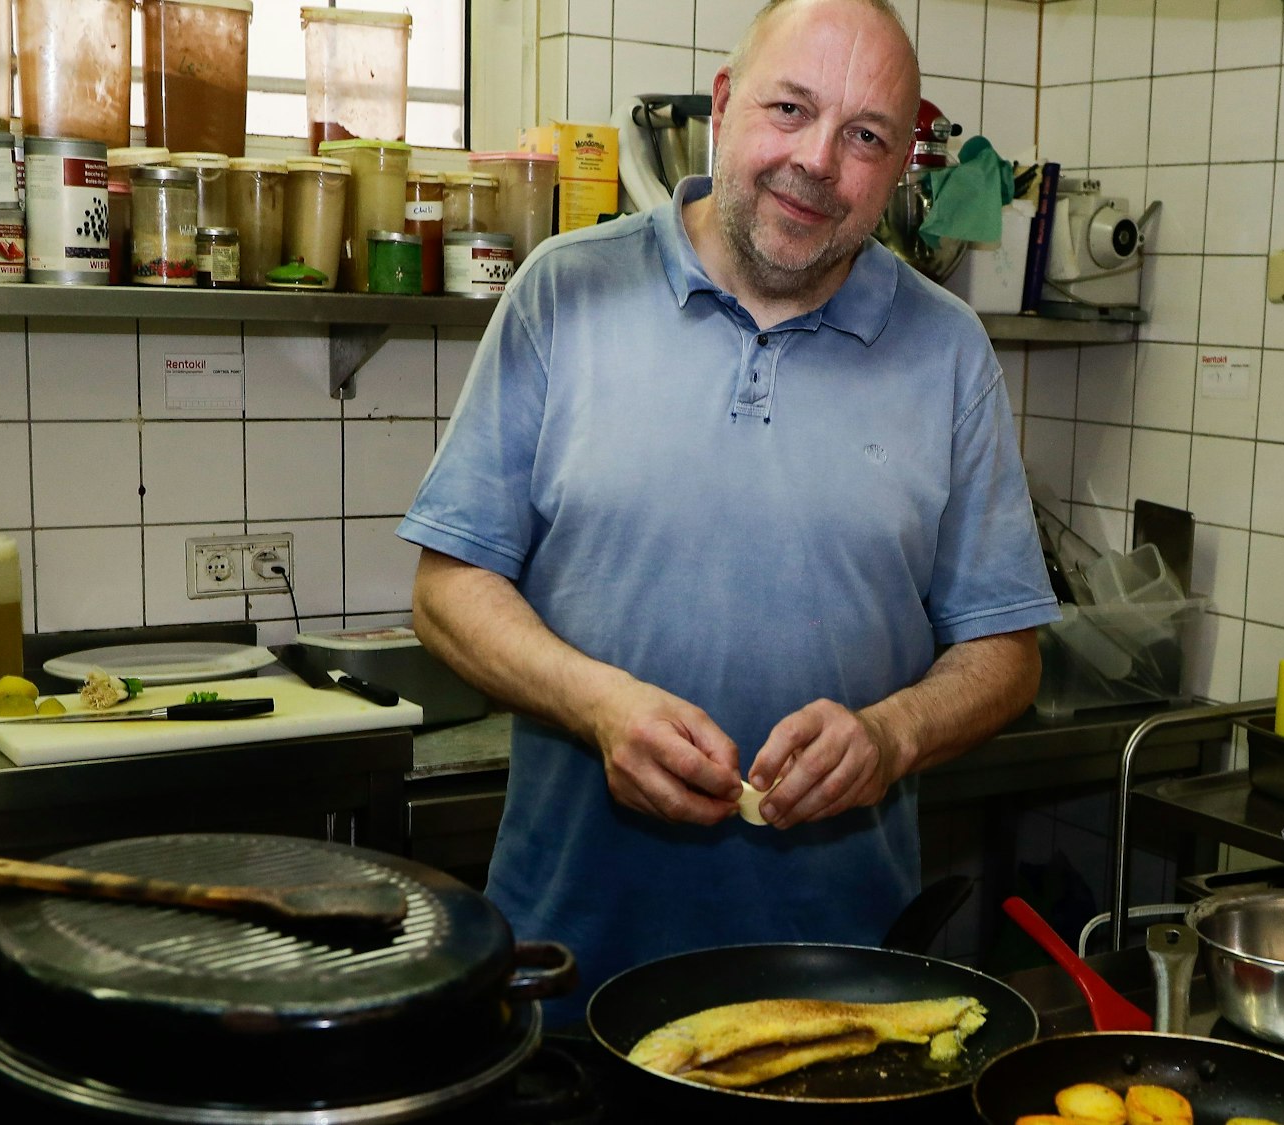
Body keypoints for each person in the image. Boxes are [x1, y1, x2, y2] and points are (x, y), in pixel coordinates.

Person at [395, 0, 1057, 1016]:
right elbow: (447, 590)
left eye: (865, 137)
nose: (817, 161)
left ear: (896, 167)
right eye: (787, 109)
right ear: (720, 107)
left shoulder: (948, 349)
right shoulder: (562, 294)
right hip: (570, 968)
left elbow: (1004, 654)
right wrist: (597, 704)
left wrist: (889, 737)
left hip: (836, 986)